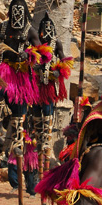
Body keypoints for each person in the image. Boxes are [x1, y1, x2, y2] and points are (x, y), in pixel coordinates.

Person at [0, 0, 49, 169]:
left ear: (25, 13)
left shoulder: (30, 30)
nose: (17, 15)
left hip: (21, 75)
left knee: (19, 108)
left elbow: (43, 53)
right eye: (14, 11)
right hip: (3, 69)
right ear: (10, 12)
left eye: (21, 11)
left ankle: (17, 141)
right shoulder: (2, 27)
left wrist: (30, 54)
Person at [33, 12, 73, 154]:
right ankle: (38, 138)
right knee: (37, 112)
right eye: (45, 28)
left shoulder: (57, 43)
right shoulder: (35, 42)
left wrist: (58, 71)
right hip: (37, 85)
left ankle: (47, 140)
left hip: (49, 84)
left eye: (50, 28)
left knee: (48, 111)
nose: (47, 30)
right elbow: (30, 59)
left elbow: (64, 61)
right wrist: (33, 66)